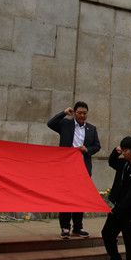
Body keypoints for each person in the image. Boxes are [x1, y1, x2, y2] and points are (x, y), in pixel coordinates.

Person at [47, 101, 100, 239]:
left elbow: (97, 146)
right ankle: (65, 227)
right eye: (79, 113)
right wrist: (64, 113)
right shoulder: (66, 124)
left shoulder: (91, 129)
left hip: (82, 169)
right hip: (66, 168)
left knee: (79, 199)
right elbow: (50, 123)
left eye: (84, 113)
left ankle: (78, 227)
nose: (82, 115)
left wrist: (87, 149)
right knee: (66, 198)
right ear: (74, 113)